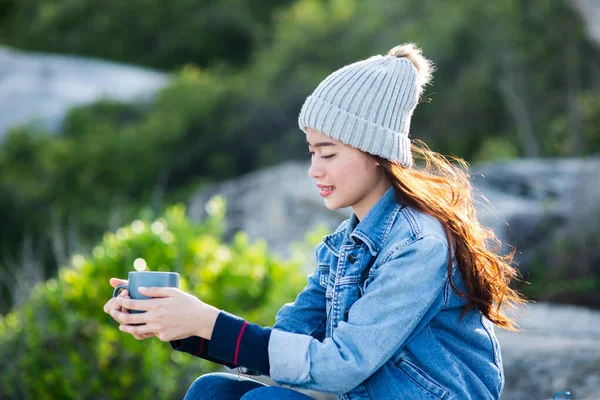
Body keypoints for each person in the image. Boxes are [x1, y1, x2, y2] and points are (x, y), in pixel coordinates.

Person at [104, 43, 524, 400]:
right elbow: (287, 341)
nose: (314, 170)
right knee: (213, 391)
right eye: (311, 152)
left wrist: (206, 320)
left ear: (376, 152)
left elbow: (341, 365)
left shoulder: (419, 245)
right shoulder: (347, 243)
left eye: (328, 153)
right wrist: (176, 323)